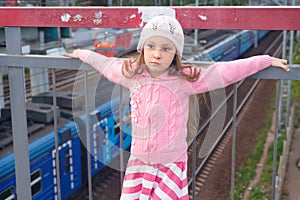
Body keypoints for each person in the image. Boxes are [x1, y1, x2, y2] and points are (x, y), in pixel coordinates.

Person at [63, 15, 289, 200]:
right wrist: (82, 54)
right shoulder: (132, 73)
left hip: (171, 164)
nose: (157, 53)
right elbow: (106, 64)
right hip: (139, 162)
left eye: (165, 48)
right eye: (151, 46)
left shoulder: (184, 79)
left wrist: (265, 61)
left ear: (175, 54)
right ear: (142, 49)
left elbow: (224, 72)